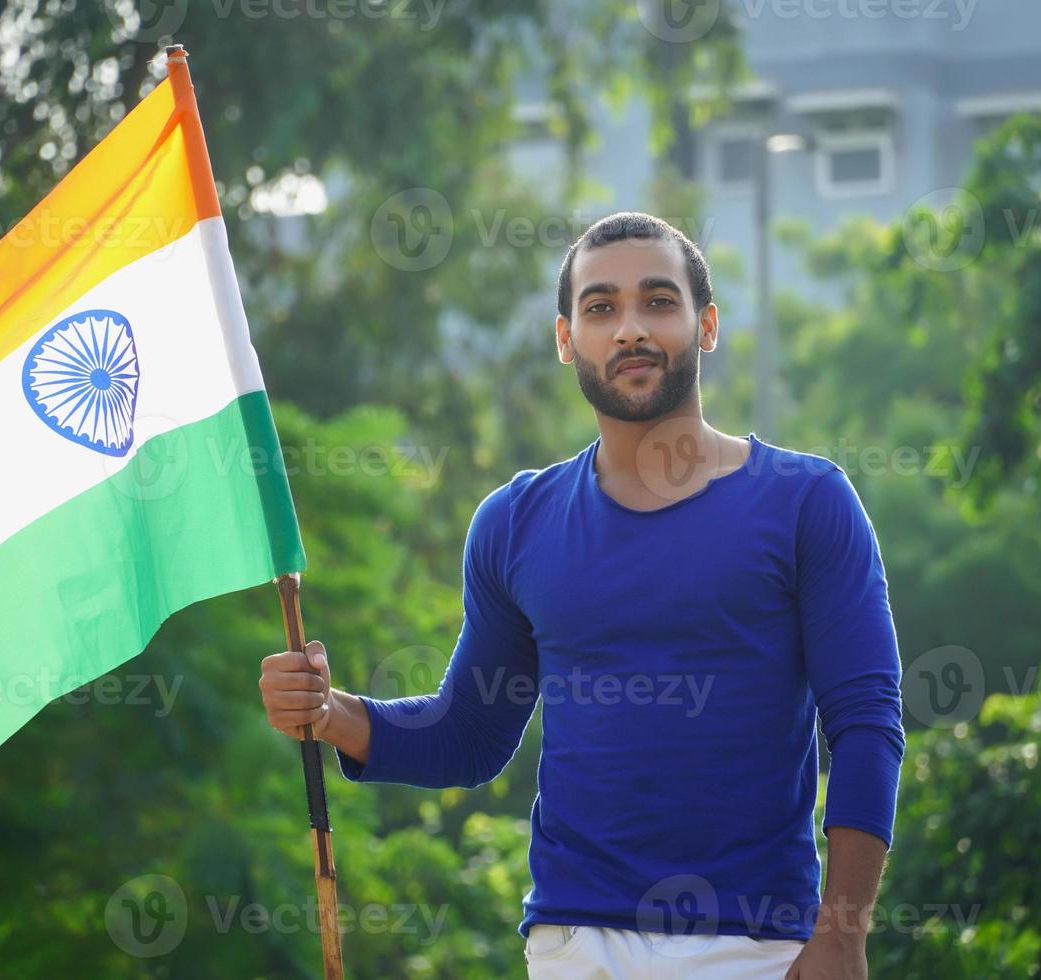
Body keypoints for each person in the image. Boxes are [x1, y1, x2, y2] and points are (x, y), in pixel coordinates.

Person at [259, 211, 905, 979]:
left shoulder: (808, 502)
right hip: (572, 947)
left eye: (657, 302)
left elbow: (866, 723)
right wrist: (331, 715)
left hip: (758, 947)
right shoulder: (514, 523)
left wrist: (841, 936)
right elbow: (469, 734)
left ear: (706, 325)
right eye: (600, 308)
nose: (629, 328)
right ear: (566, 338)